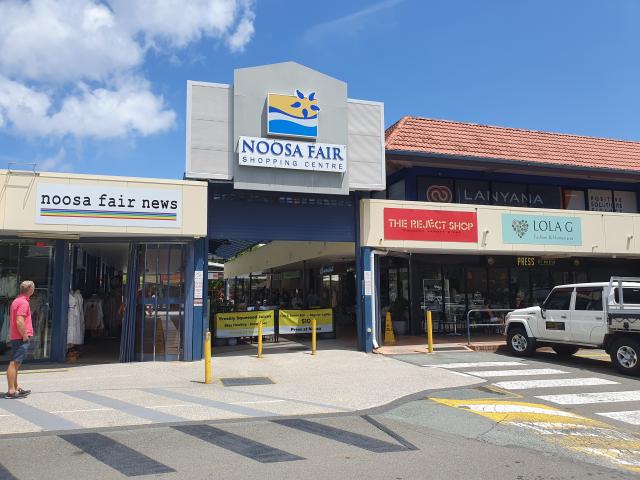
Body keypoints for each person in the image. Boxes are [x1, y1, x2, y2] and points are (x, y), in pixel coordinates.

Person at [5, 280, 35, 399]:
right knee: (14, 363)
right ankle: (11, 390)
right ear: (30, 290)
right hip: (20, 336)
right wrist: (25, 335)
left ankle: (15, 387)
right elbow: (19, 321)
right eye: (33, 288)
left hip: (17, 336)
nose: (34, 290)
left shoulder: (17, 301)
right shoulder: (23, 303)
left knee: (16, 363)